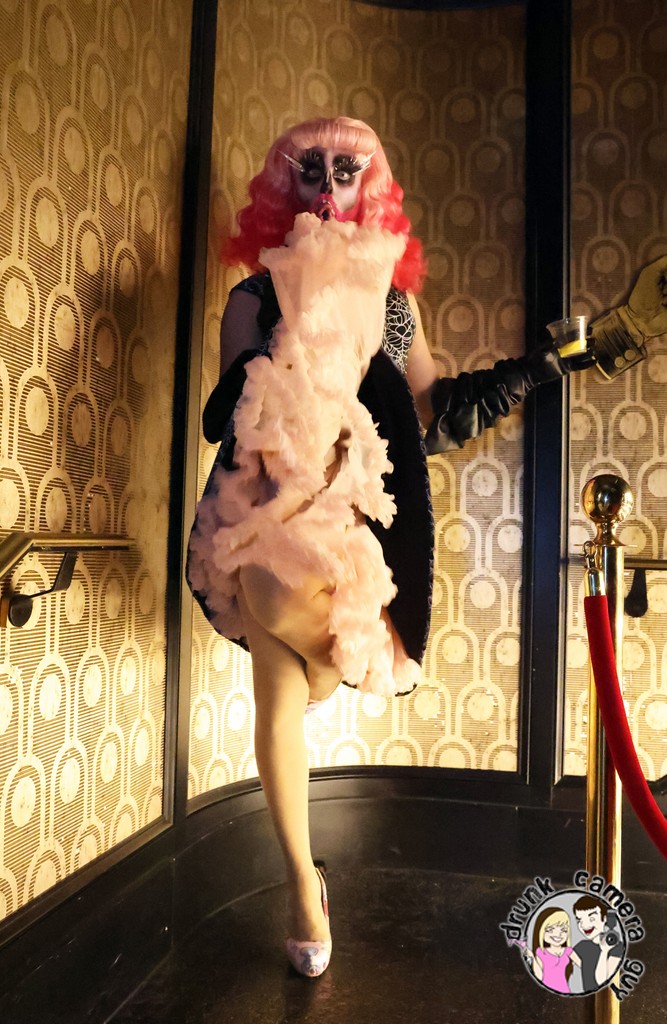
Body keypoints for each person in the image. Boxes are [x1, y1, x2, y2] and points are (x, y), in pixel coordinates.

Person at [186, 116, 643, 978]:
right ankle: (302, 885)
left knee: (306, 677)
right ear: (285, 189)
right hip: (263, 507)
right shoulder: (254, 296)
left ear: (372, 187)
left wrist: (539, 368)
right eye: (311, 170)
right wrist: (298, 325)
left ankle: (320, 739)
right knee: (276, 653)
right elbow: (233, 416)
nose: (328, 186)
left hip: (351, 519)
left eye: (346, 169)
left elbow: (431, 414)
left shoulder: (396, 304)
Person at [573, 895, 625, 991]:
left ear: (604, 918)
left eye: (592, 919)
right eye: (579, 920)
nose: (584, 925)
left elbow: (602, 982)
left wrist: (604, 951)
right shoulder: (582, 946)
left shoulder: (617, 947)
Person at [527, 907, 582, 994]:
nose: (558, 934)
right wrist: (532, 957)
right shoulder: (541, 952)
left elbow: (584, 966)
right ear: (541, 931)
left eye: (564, 930)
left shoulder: (568, 951)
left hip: (564, 991)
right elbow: (539, 976)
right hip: (545, 992)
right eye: (550, 930)